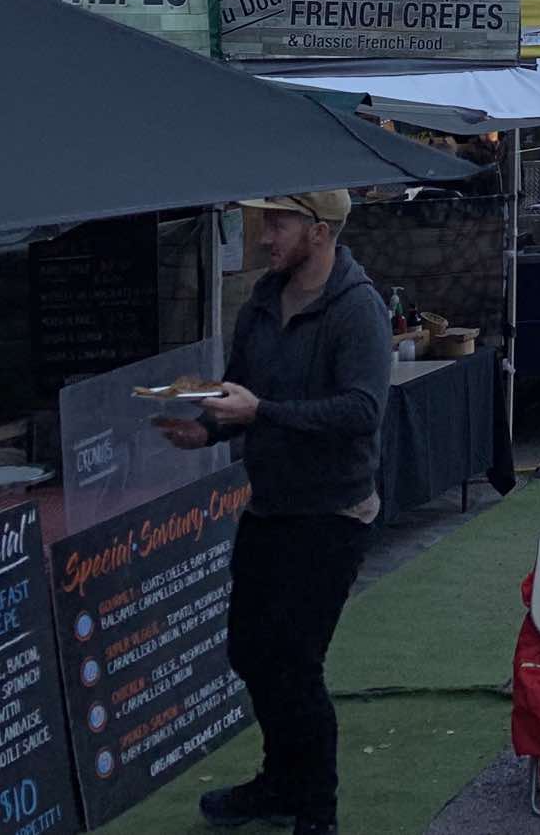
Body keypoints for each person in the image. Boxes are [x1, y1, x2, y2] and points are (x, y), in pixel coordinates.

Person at [159, 191, 388, 835]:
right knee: (249, 652)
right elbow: (236, 388)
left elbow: (363, 411)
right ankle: (280, 781)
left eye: (279, 223)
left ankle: (317, 809)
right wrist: (203, 427)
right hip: (272, 505)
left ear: (319, 232)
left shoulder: (358, 309)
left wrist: (263, 413)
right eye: (266, 221)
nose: (264, 235)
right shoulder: (263, 300)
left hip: (335, 511)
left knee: (294, 662)